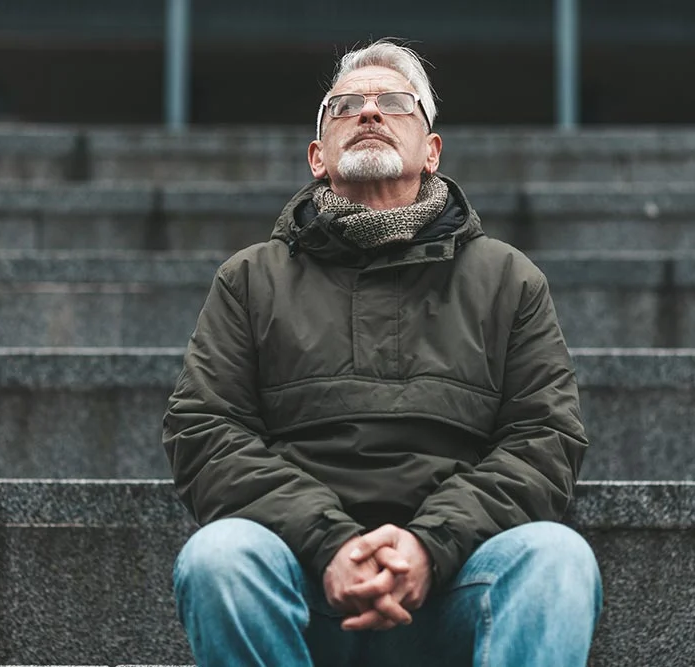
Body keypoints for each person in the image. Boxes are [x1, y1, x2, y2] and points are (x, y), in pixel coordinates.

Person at [163, 39, 602, 667]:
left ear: (432, 150)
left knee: (557, 560)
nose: (369, 113)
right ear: (318, 157)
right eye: (345, 107)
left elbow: (546, 439)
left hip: (455, 584)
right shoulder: (250, 280)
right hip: (302, 581)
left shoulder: (510, 280)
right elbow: (203, 429)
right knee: (219, 557)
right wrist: (329, 543)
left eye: (395, 103)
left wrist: (429, 546)